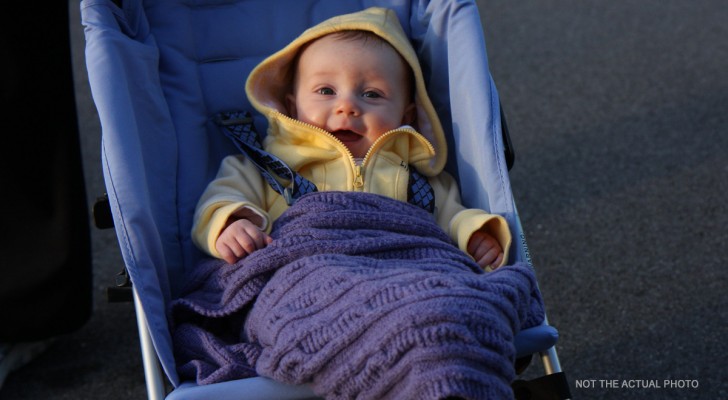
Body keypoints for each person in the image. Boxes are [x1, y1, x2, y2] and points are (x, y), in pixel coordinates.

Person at [191, 7, 512, 271]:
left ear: (406, 116)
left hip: (404, 277)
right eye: (326, 91)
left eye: (372, 94)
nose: (347, 106)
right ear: (292, 106)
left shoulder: (422, 183)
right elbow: (220, 200)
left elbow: (454, 218)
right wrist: (231, 223)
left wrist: (476, 234)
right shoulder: (265, 169)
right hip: (306, 280)